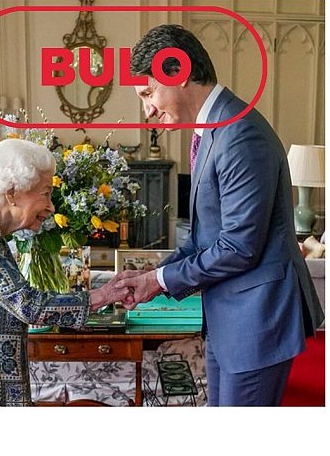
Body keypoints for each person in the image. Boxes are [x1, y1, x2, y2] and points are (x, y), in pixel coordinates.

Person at [107, 24, 325, 406]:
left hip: (257, 321)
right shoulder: (213, 130)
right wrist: (148, 275)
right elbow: (201, 239)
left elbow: (239, 247)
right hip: (230, 319)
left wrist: (156, 282)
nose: (148, 109)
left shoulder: (240, 133)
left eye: (148, 93)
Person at [0, 139, 129, 407]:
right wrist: (103, 295)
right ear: (12, 193)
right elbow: (28, 305)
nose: (51, 206)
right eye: (46, 193)